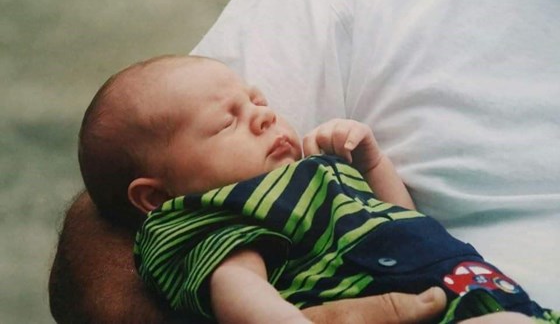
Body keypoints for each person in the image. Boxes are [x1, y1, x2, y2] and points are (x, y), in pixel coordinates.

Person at [76, 54, 554, 323]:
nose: (263, 116)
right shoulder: (219, 218)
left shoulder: (313, 174)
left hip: (473, 293)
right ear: (156, 198)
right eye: (228, 123)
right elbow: (240, 293)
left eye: (256, 101)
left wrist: (373, 163)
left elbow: (406, 225)